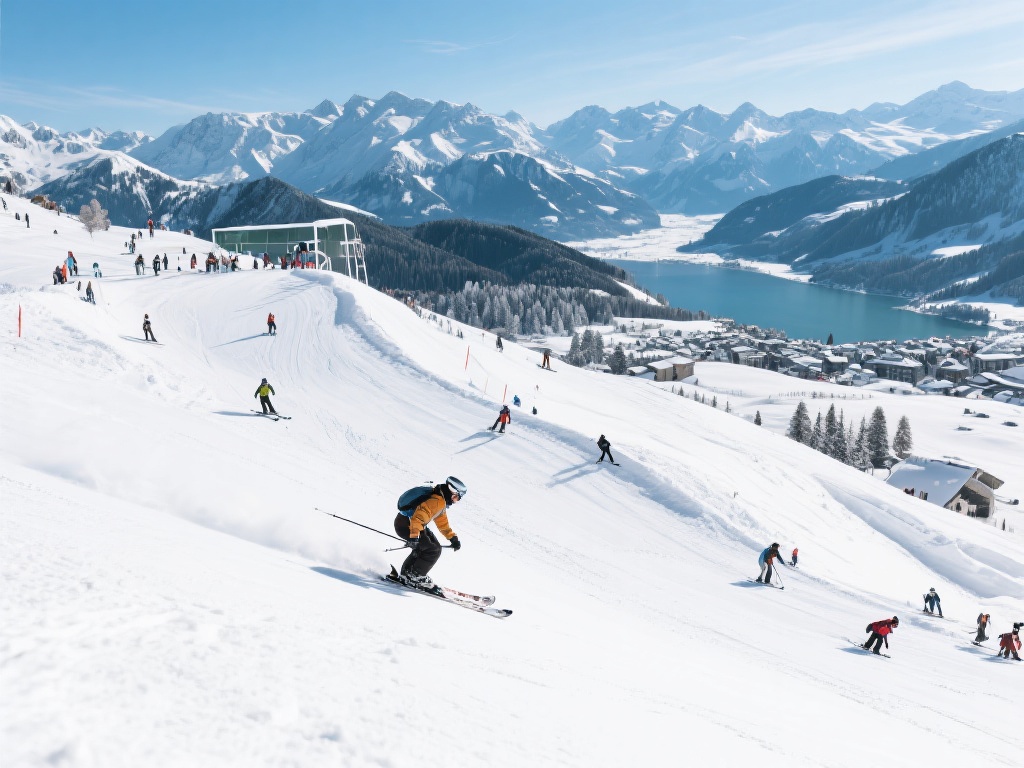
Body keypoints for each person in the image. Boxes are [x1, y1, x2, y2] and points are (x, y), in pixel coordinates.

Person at [394, 476, 466, 588]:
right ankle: (415, 576)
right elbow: (417, 518)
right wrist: (414, 537)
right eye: (458, 498)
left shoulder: (440, 499)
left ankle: (408, 574)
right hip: (407, 525)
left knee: (433, 547)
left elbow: (442, 522)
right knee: (432, 550)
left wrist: (452, 537)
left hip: (414, 525)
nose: (456, 501)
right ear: (453, 493)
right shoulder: (437, 501)